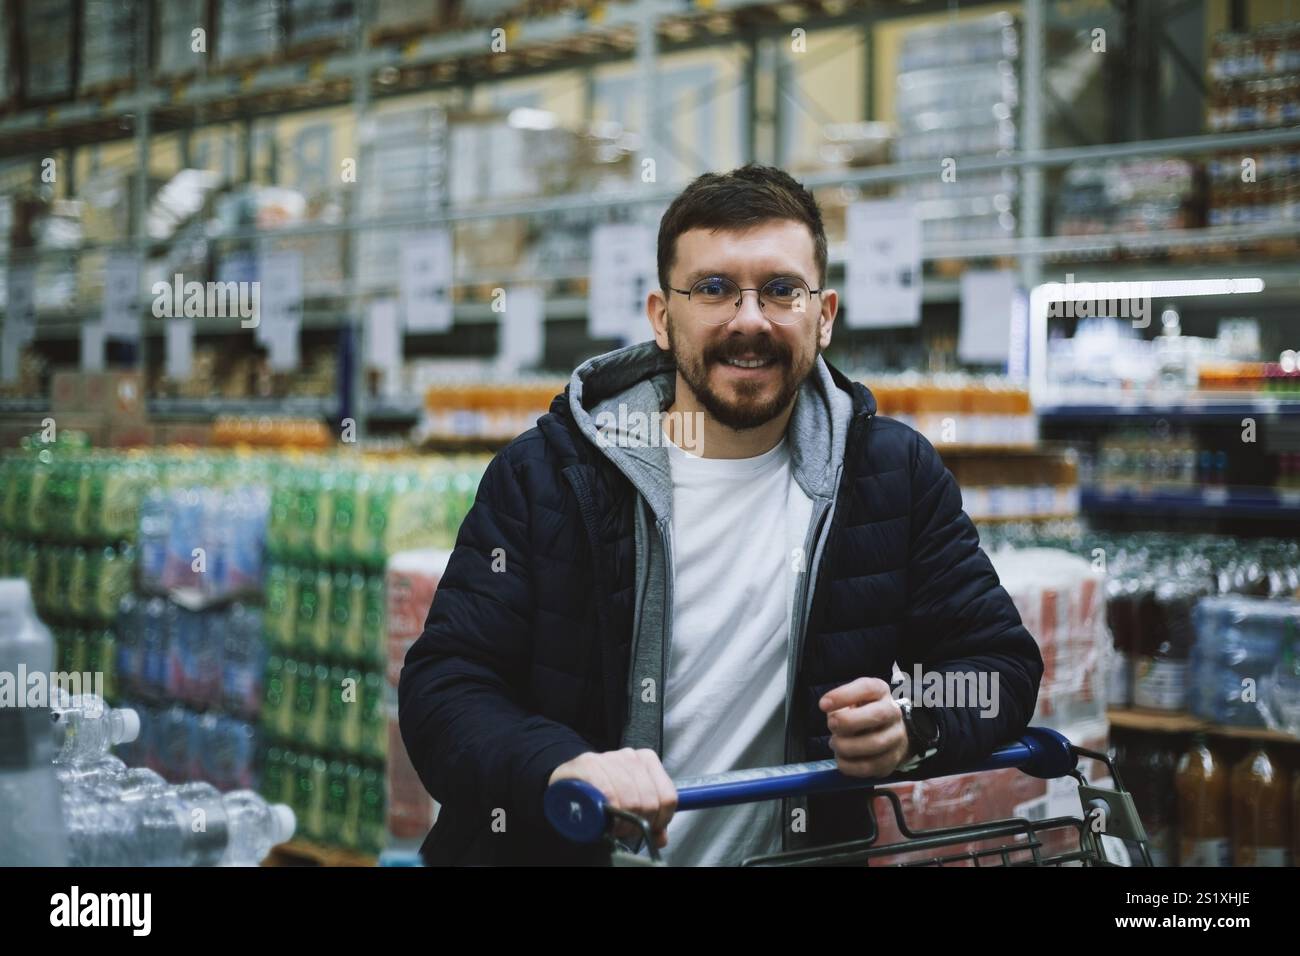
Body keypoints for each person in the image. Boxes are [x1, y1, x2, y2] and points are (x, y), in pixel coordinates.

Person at [399, 163, 1044, 866]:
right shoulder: (550, 476)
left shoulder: (892, 477)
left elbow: (998, 663)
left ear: (822, 316)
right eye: (712, 290)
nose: (749, 321)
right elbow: (445, 690)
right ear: (661, 317)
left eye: (779, 290)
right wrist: (562, 766)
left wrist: (916, 722)